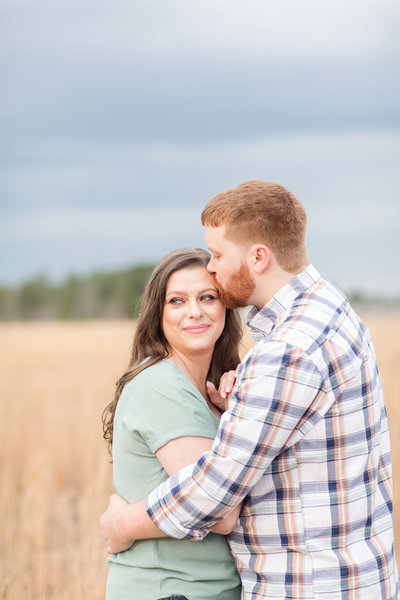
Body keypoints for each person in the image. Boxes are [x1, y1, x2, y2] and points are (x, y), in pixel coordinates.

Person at [100, 180, 399, 599]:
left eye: (218, 256)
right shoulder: (331, 308)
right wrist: (237, 412)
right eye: (177, 301)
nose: (214, 269)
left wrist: (122, 524)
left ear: (259, 257)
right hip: (355, 576)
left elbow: (215, 491)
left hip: (310, 585)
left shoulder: (285, 351)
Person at [101, 248, 243, 600]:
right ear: (158, 314)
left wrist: (234, 415)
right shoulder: (162, 385)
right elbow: (221, 511)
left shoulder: (206, 390)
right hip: (171, 590)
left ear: (225, 305)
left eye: (207, 297)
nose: (194, 312)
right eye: (176, 301)